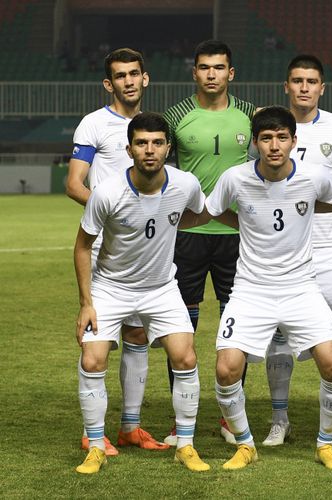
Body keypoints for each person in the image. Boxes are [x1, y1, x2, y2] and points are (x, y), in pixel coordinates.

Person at [206, 106, 332, 471]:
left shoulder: (313, 177)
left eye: (282, 137)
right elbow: (213, 209)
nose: (274, 145)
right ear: (255, 143)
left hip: (302, 288)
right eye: (266, 138)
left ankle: (326, 444)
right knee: (226, 370)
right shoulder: (235, 179)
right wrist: (241, 219)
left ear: (293, 141)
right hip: (251, 290)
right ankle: (244, 445)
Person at [73, 112, 210, 474]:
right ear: (129, 148)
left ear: (168, 147)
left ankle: (186, 445)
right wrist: (87, 304)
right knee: (92, 360)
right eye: (141, 143)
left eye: (157, 143)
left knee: (185, 357)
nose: (150, 150)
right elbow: (83, 247)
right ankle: (96, 446)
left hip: (161, 288)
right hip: (110, 287)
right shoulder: (107, 193)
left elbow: (197, 213)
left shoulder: (185, 184)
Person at [66, 48, 167, 456]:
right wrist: (110, 216)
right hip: (107, 249)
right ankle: (93, 432)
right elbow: (75, 183)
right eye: (119, 76)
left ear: (146, 79)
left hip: (145, 251)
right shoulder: (94, 124)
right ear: (109, 84)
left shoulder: (150, 128)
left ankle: (130, 427)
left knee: (138, 334)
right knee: (99, 343)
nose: (128, 81)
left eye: (134, 74)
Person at [261, 54, 332, 448]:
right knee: (278, 332)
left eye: (312, 81)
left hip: (324, 244)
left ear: (323, 87)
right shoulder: (269, 126)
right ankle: (279, 419)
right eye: (297, 81)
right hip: (279, 248)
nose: (304, 87)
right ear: (286, 86)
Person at [163, 39, 256, 445]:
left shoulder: (252, 117)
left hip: (238, 237)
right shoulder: (175, 116)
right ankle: (181, 416)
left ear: (230, 73)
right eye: (204, 67)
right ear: (195, 72)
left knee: (238, 326)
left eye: (219, 67)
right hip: (187, 236)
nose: (212, 74)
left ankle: (228, 417)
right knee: (181, 325)